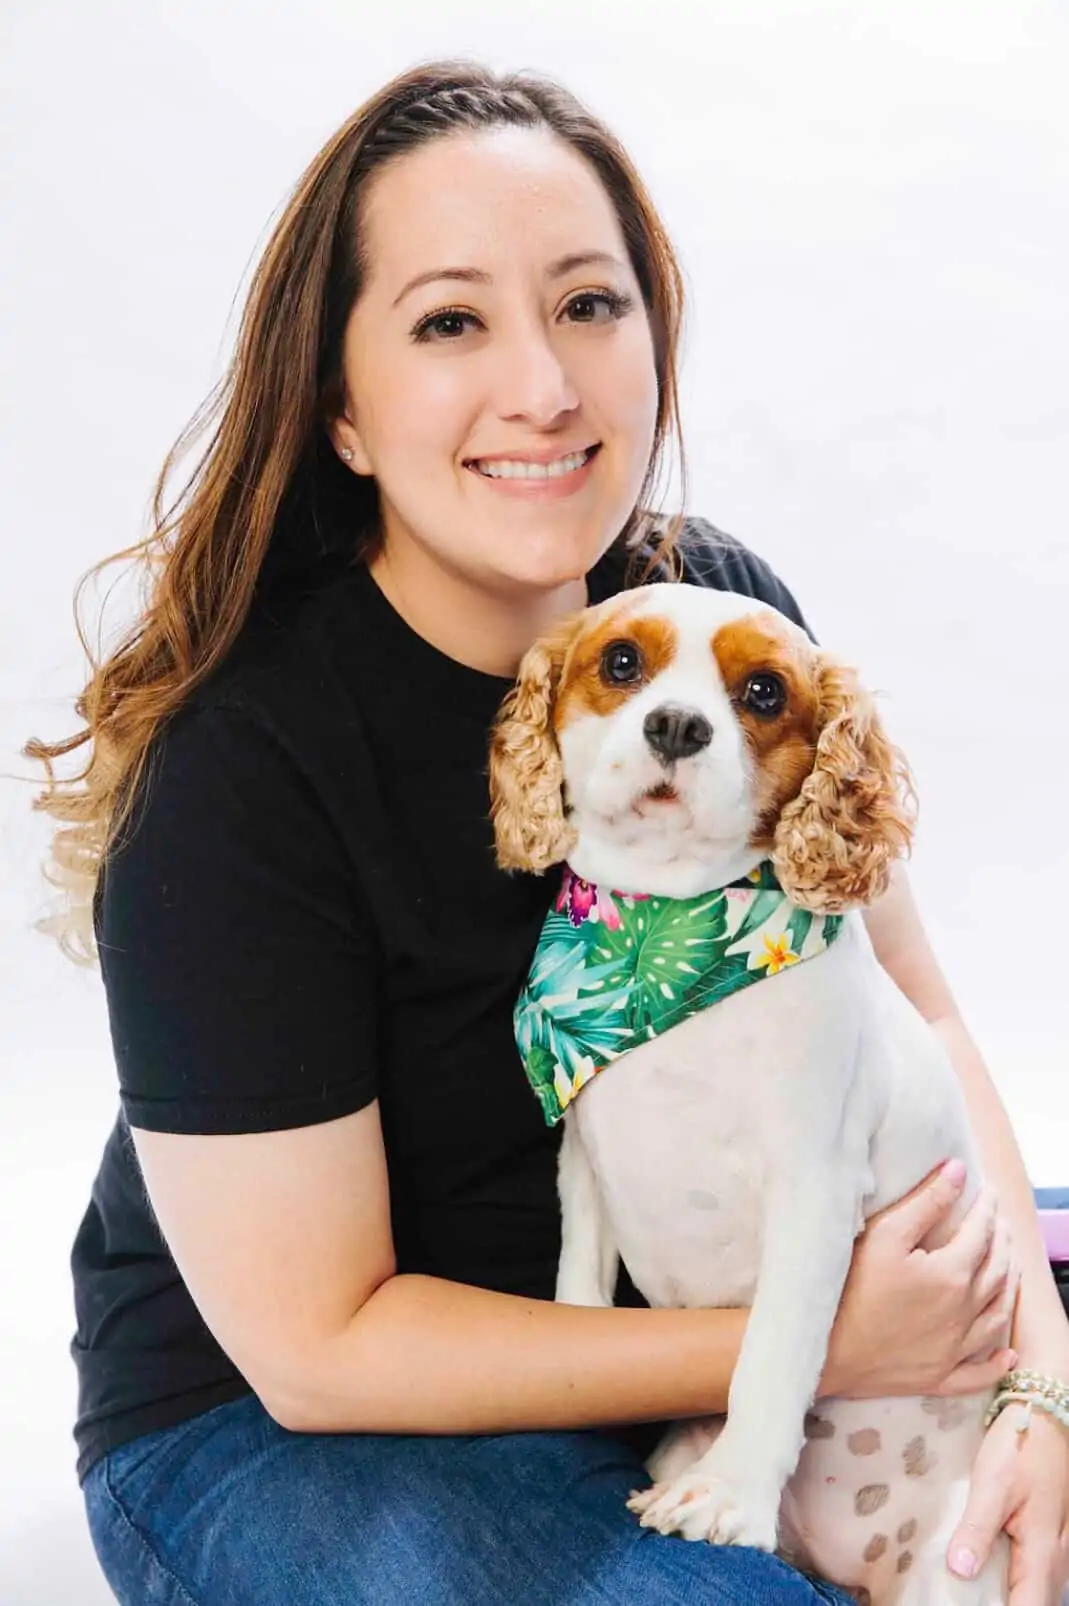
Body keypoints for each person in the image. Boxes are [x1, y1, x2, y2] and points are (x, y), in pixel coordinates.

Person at [26, 60, 1068, 1606]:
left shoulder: (718, 614)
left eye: (590, 303)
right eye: (453, 321)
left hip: (727, 1308)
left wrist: (1030, 1382)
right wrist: (821, 1343)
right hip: (305, 1427)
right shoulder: (244, 773)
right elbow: (320, 1349)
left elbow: (910, 998)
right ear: (343, 415)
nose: (547, 385)